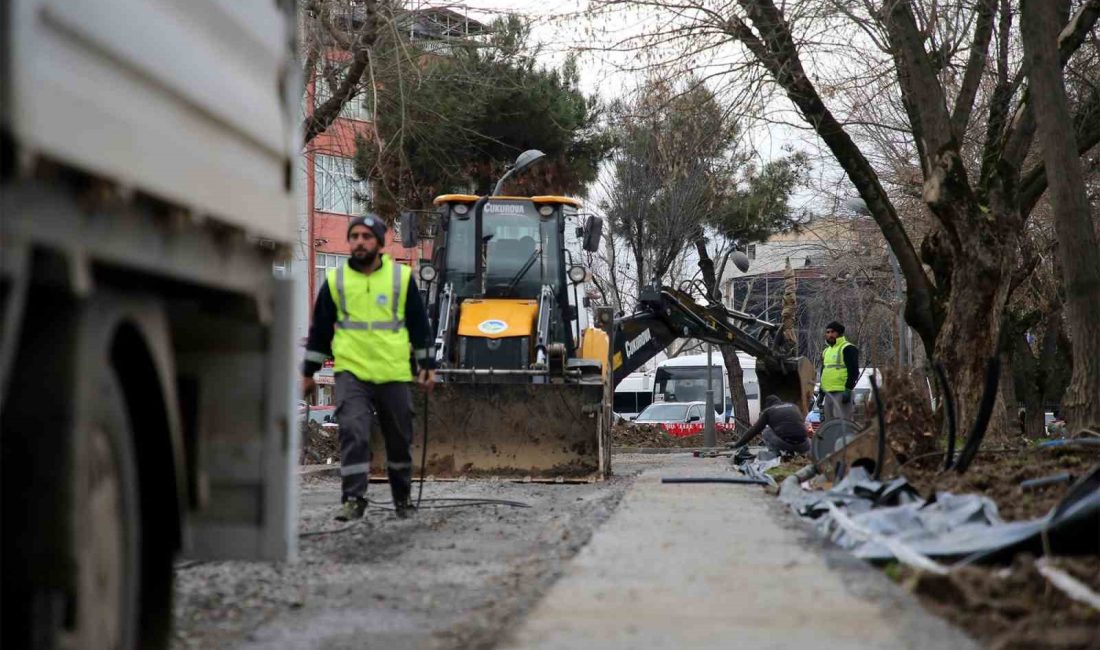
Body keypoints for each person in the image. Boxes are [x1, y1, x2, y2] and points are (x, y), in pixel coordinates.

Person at [301, 215, 436, 521]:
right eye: (354, 236)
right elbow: (320, 332)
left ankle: (402, 499)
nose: (359, 241)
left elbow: (419, 326)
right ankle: (352, 499)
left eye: (366, 236)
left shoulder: (401, 279)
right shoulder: (336, 282)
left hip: (393, 372)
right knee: (353, 431)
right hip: (352, 372)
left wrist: (427, 366)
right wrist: (308, 372)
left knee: (399, 438)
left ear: (379, 242)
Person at [726, 395, 810, 455]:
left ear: (768, 405)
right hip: (804, 445)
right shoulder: (794, 406)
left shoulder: (769, 411)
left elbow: (754, 431)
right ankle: (803, 454)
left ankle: (775, 456)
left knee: (766, 431)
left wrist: (737, 444)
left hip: (786, 444)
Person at [817, 321, 859, 424]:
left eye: (833, 332)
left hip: (842, 392)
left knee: (843, 424)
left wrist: (848, 389)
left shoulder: (848, 348)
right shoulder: (826, 351)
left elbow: (853, 370)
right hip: (828, 393)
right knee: (829, 425)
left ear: (839, 333)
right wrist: (821, 393)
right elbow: (824, 372)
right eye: (828, 332)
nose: (830, 335)